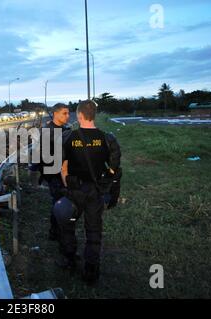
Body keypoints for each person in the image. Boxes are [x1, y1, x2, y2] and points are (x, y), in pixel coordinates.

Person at [54, 100, 121, 285]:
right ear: (95, 115)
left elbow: (62, 166)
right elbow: (114, 168)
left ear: (79, 115)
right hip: (95, 191)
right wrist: (105, 185)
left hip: (75, 190)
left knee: (67, 225)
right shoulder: (107, 138)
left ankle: (69, 259)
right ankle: (91, 270)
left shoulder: (68, 137)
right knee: (93, 230)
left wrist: (67, 182)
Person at [31, 103, 70, 241]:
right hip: (54, 175)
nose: (67, 116)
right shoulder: (48, 131)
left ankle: (56, 232)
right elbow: (41, 156)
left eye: (68, 113)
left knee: (61, 202)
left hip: (63, 173)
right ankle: (56, 232)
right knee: (59, 202)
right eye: (64, 113)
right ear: (55, 114)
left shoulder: (65, 129)